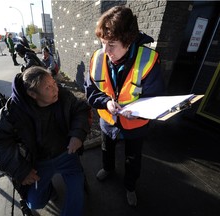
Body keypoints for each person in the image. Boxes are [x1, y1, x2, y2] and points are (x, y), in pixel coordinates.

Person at [0, 66, 91, 216]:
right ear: (32, 94)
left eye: (54, 83)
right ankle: (49, 189)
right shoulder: (12, 111)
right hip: (39, 163)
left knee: (77, 196)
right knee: (35, 203)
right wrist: (20, 169)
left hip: (67, 154)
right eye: (48, 87)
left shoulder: (63, 95)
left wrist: (78, 134)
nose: (55, 89)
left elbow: (81, 109)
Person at [84, 5, 165, 207]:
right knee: (106, 148)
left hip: (135, 125)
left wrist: (136, 111)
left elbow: (155, 98)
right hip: (108, 119)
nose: (105, 51)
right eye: (102, 43)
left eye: (111, 44)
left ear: (128, 41)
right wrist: (105, 102)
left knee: (133, 159)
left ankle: (130, 186)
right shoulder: (98, 58)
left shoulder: (148, 60)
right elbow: (91, 91)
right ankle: (108, 168)